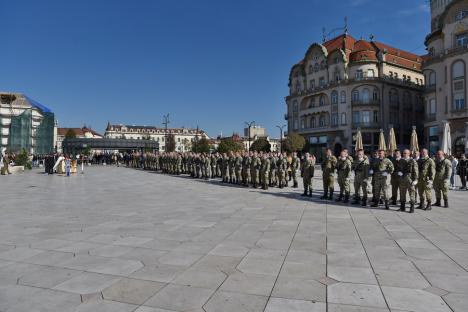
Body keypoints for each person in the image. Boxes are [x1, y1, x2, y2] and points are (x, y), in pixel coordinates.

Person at [398, 149, 419, 213]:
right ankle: (402, 207)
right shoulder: (401, 160)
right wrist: (399, 172)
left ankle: (412, 207)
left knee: (411, 193)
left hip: (410, 179)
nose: (404, 154)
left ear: (409, 154)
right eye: (404, 153)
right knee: (402, 193)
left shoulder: (412, 161)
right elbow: (398, 168)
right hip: (402, 179)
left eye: (406, 153)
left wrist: (415, 179)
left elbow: (415, 171)